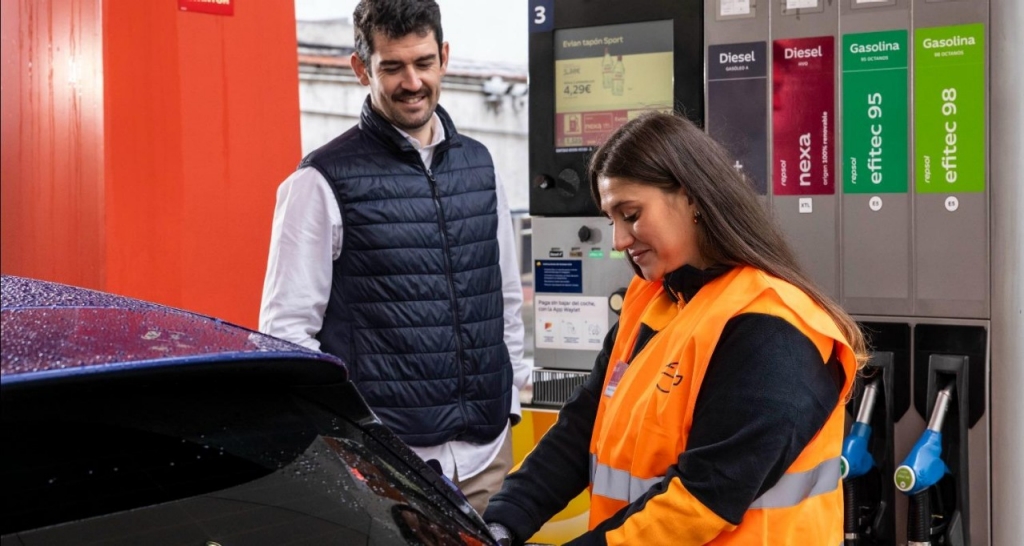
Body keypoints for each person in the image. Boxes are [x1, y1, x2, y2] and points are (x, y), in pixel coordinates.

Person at [483, 111, 868, 545]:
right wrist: (502, 523)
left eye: (631, 214)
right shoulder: (652, 300)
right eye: (612, 220)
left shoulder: (773, 326)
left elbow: (704, 497)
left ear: (692, 198)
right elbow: (580, 430)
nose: (619, 240)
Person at [258, 0, 529, 515]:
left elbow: (505, 300)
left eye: (424, 62)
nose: (412, 82)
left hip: (487, 456)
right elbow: (287, 335)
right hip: (385, 469)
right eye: (392, 66)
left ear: (444, 57)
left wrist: (509, 399)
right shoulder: (319, 181)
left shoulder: (480, 165)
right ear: (361, 67)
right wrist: (353, 441)